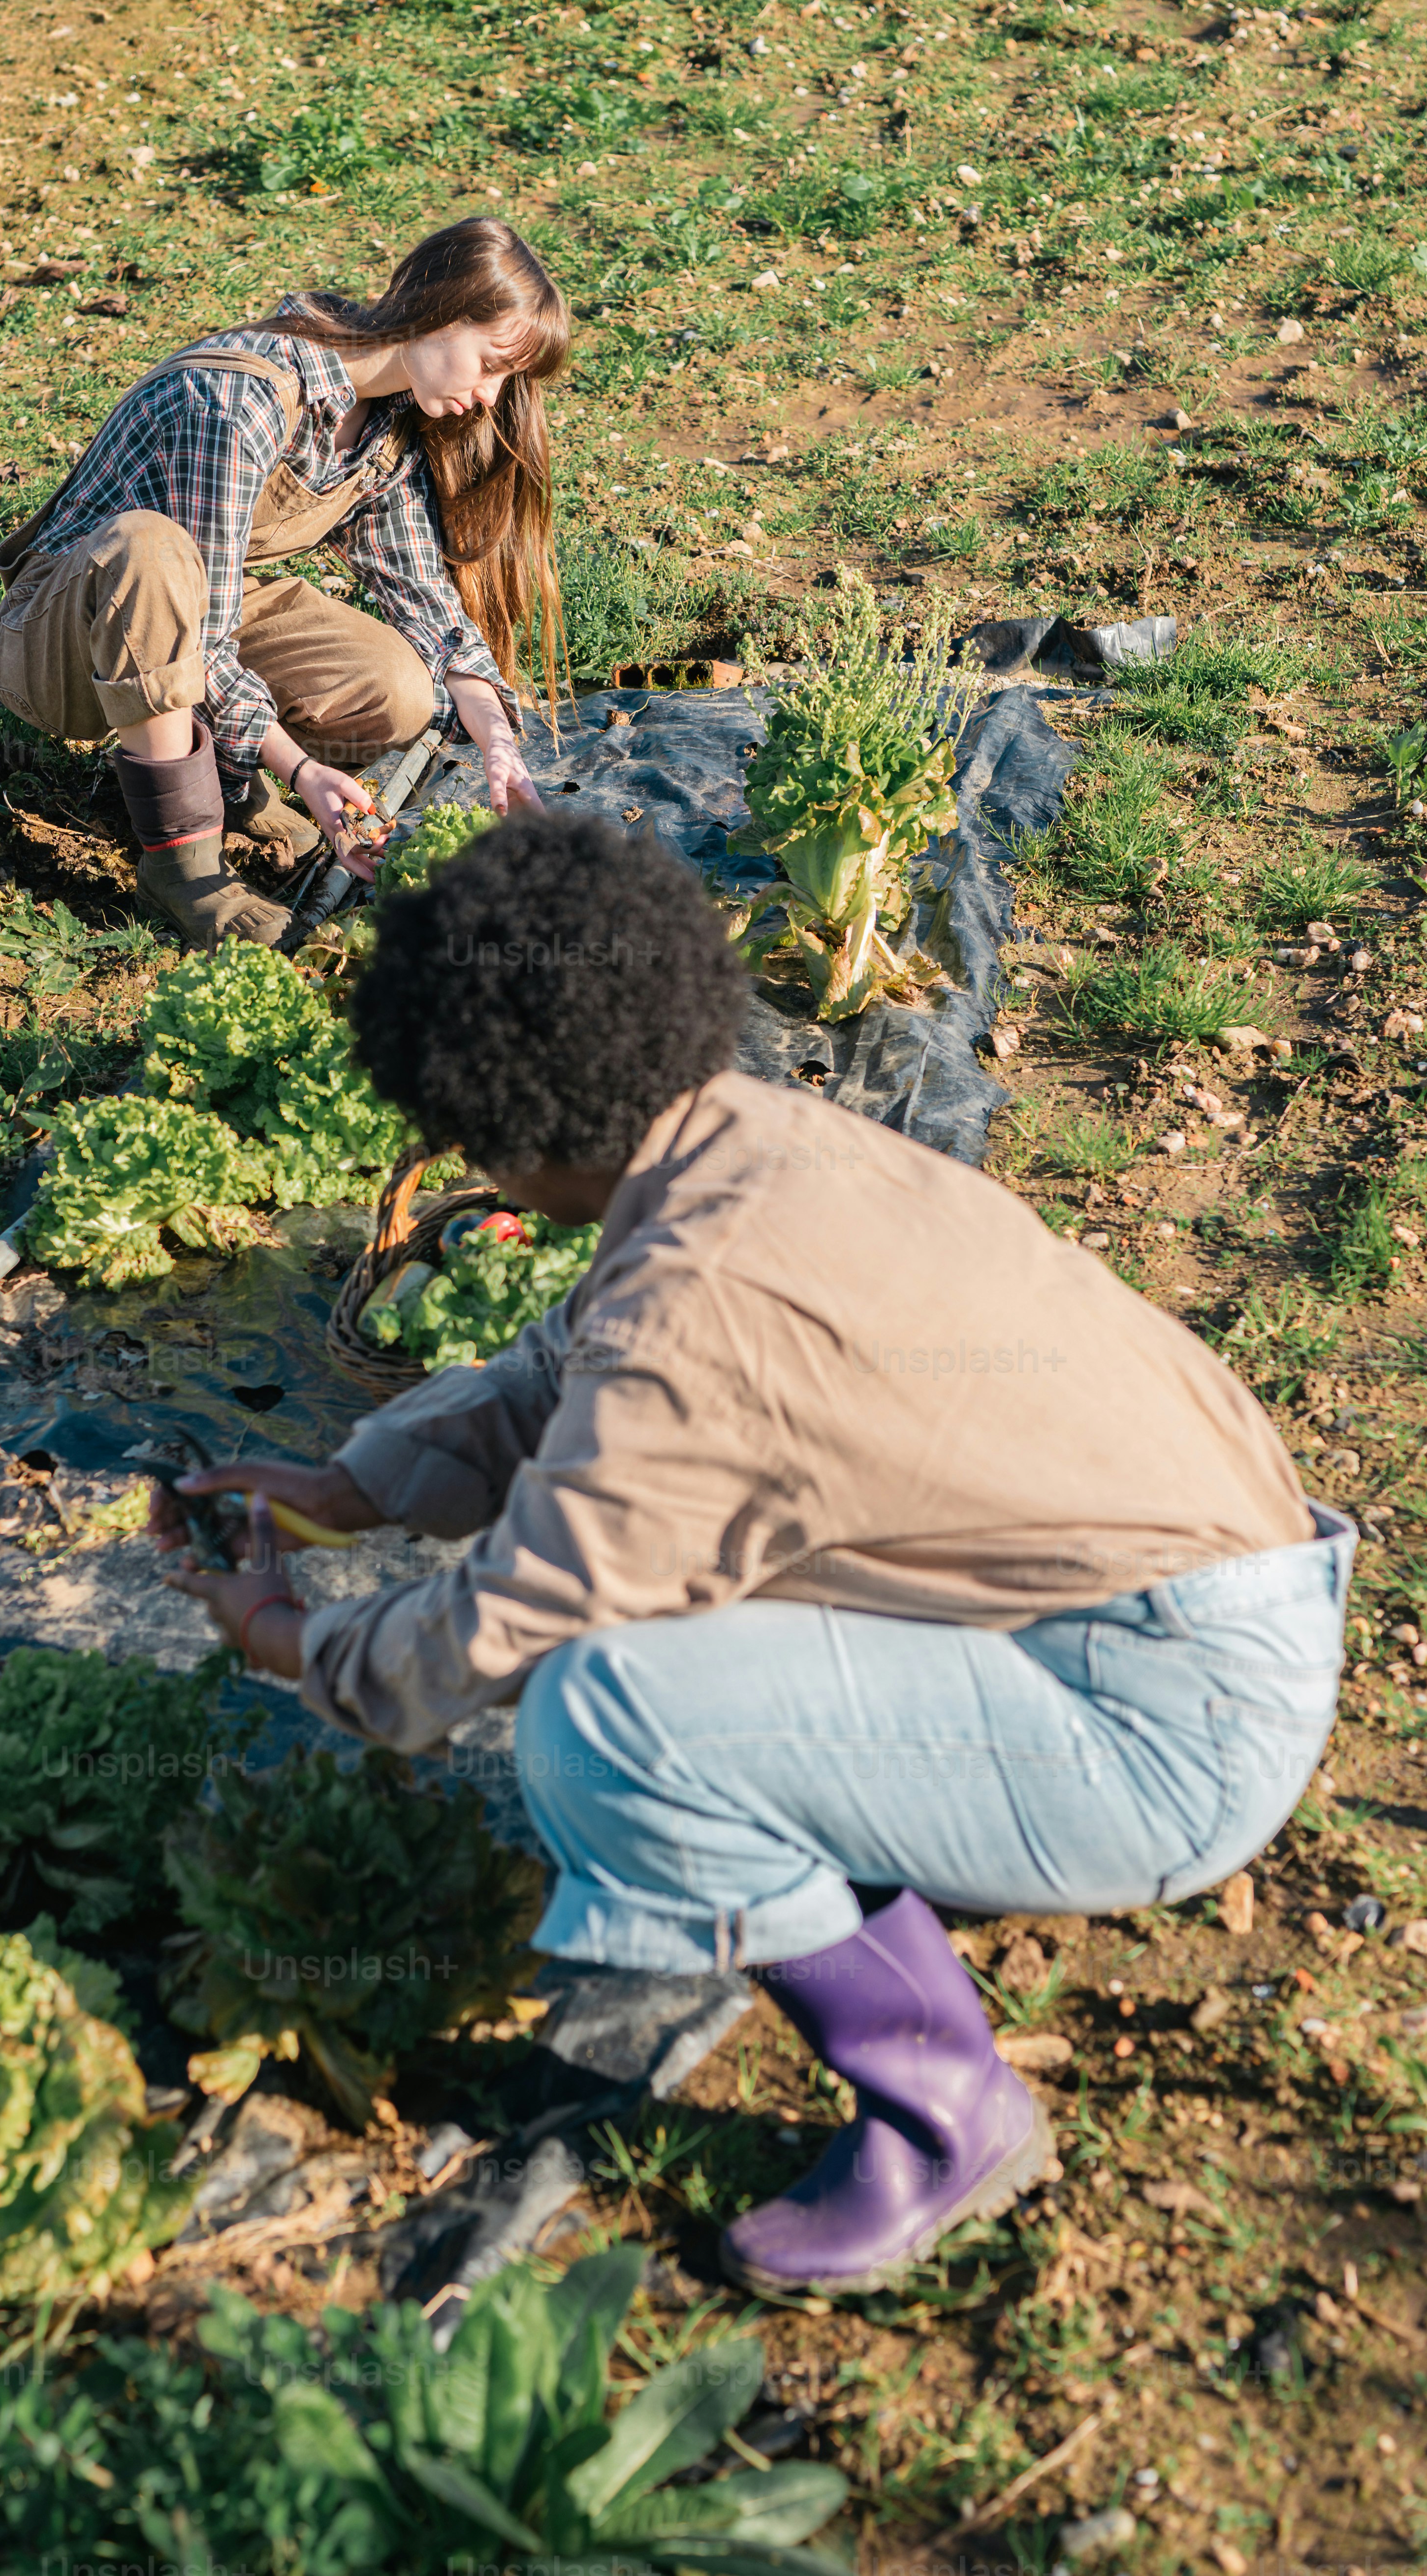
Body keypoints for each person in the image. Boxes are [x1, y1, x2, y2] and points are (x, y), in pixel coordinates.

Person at [158, 816, 1352, 2299]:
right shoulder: (742, 1136)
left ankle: (947, 2118)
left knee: (602, 1717)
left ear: (514, 1122)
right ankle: (933, 1838)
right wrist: (342, 1489)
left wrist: (292, 1638)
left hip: (1175, 1724)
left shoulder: (698, 1296)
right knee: (706, 1593)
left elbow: (516, 1615)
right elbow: (561, 1371)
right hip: (1201, 1609)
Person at [0, 217, 566, 950]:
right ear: (443, 315)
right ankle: (182, 864)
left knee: (398, 688)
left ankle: (225, 782)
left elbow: (425, 600)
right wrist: (302, 770)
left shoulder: (383, 424)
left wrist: (497, 747)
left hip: (195, 609)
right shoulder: (241, 403)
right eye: (490, 364)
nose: (490, 397)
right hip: (58, 638)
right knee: (152, 548)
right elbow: (206, 638)